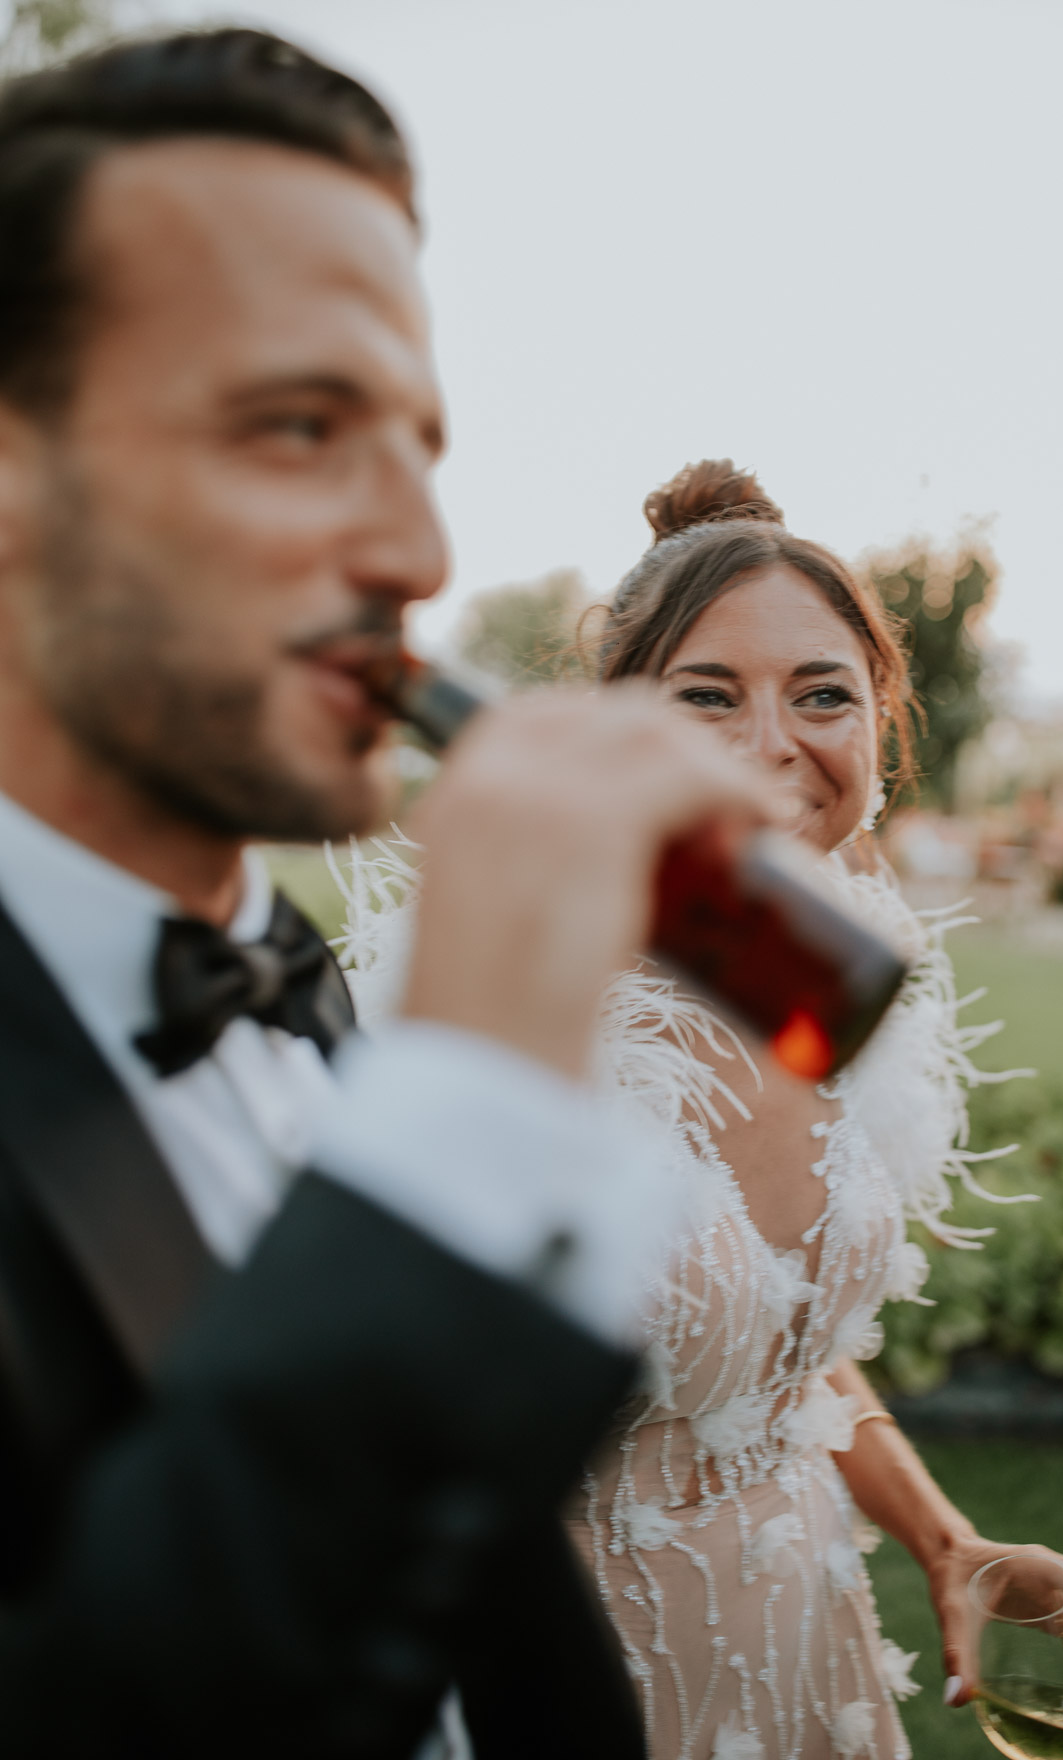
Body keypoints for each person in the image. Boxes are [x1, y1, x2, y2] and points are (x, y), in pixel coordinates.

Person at [0, 34, 782, 1758]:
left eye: (420, 446)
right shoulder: (436, 1069)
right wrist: (470, 1112)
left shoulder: (294, 989)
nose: (420, 555)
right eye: (299, 427)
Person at [557, 461, 1063, 1759]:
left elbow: (770, 1344)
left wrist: (943, 1539)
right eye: (704, 697)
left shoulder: (832, 986)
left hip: (800, 1644)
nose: (772, 743)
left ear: (880, 727)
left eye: (822, 694)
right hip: (572, 1669)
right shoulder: (532, 1016)